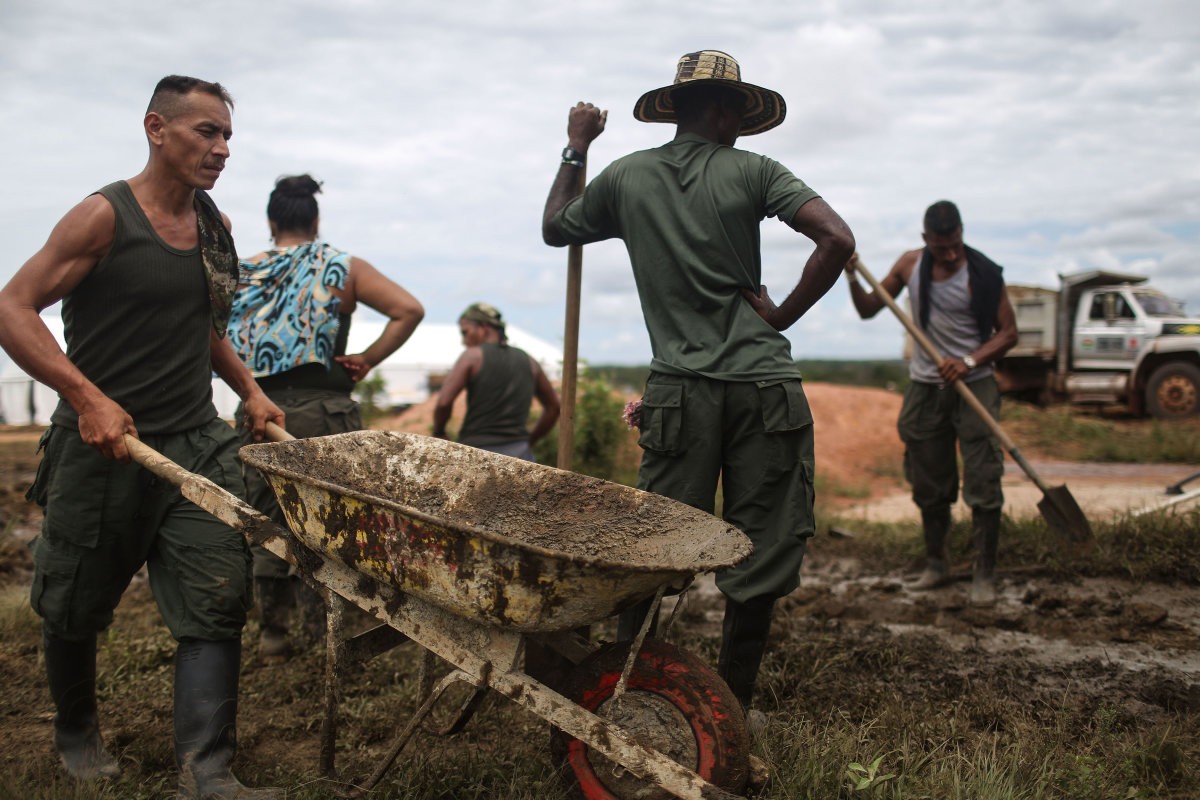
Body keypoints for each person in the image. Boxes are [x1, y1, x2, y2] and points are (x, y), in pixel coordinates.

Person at [541, 50, 855, 717]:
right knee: (762, 551)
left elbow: (555, 227)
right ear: (719, 109)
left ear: (675, 109)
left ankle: (634, 695)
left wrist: (576, 148)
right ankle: (732, 706)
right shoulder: (756, 172)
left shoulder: (626, 177)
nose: (741, 123)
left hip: (680, 391)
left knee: (651, 549)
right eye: (737, 110)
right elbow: (835, 238)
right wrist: (780, 315)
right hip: (763, 388)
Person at [0, 76, 283, 797]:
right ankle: (75, 731)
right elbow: (14, 308)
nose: (220, 149)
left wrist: (250, 390)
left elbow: (202, 327)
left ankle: (207, 771)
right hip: (104, 447)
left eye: (226, 136)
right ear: (157, 128)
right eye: (205, 132)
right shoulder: (103, 217)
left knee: (218, 591)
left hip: (194, 442)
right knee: (73, 602)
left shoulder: (212, 223)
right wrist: (86, 397)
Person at [228, 174, 425, 658]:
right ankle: (325, 633)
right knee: (327, 522)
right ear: (315, 221)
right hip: (324, 408)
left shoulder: (242, 271)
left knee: (265, 518)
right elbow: (408, 309)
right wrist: (368, 358)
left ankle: (273, 633)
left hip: (257, 407)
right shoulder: (340, 266)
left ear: (272, 221)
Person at [844, 200, 1018, 606]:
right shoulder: (910, 265)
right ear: (927, 241)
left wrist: (970, 360)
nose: (952, 254)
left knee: (983, 477)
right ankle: (937, 566)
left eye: (956, 244)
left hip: (975, 385)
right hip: (925, 388)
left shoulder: (985, 274)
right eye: (942, 248)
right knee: (929, 480)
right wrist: (851, 275)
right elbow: (869, 309)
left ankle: (984, 575)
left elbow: (1008, 333)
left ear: (962, 234)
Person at [431, 303, 559, 460]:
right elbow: (554, 407)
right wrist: (530, 441)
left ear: (483, 327)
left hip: (477, 453)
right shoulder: (529, 361)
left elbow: (444, 402)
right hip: (520, 454)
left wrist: (439, 432)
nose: (464, 340)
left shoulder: (473, 356)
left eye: (466, 332)